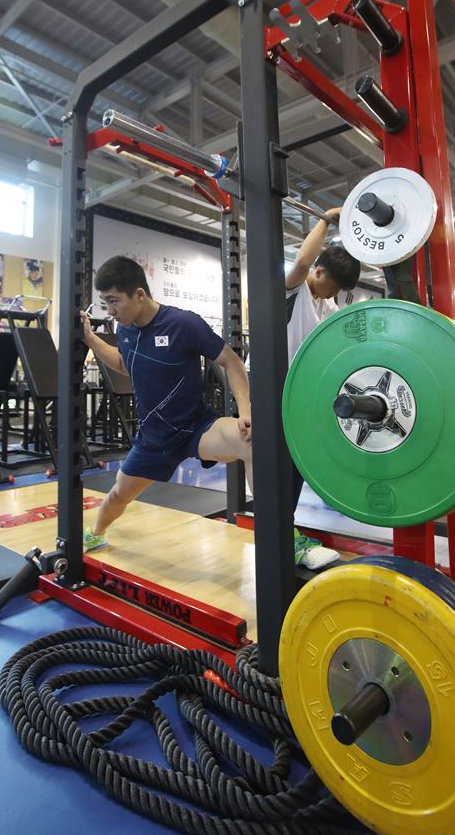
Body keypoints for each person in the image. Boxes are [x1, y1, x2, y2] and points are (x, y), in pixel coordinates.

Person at [81, 256, 253, 551]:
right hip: (154, 438)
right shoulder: (125, 329)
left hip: (196, 428)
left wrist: (246, 412)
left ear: (139, 294)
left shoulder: (183, 323)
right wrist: (90, 339)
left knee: (250, 442)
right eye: (105, 303)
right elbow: (125, 364)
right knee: (118, 495)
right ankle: (96, 533)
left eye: (114, 301)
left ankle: (283, 537)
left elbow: (232, 362)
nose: (110, 311)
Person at [284, 208, 361, 568]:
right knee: (278, 466)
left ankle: (287, 532)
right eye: (332, 285)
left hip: (299, 395)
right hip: (269, 388)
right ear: (318, 272)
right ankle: (284, 537)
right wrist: (327, 221)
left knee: (300, 462)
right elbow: (300, 261)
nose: (334, 294)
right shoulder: (295, 289)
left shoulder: (329, 308)